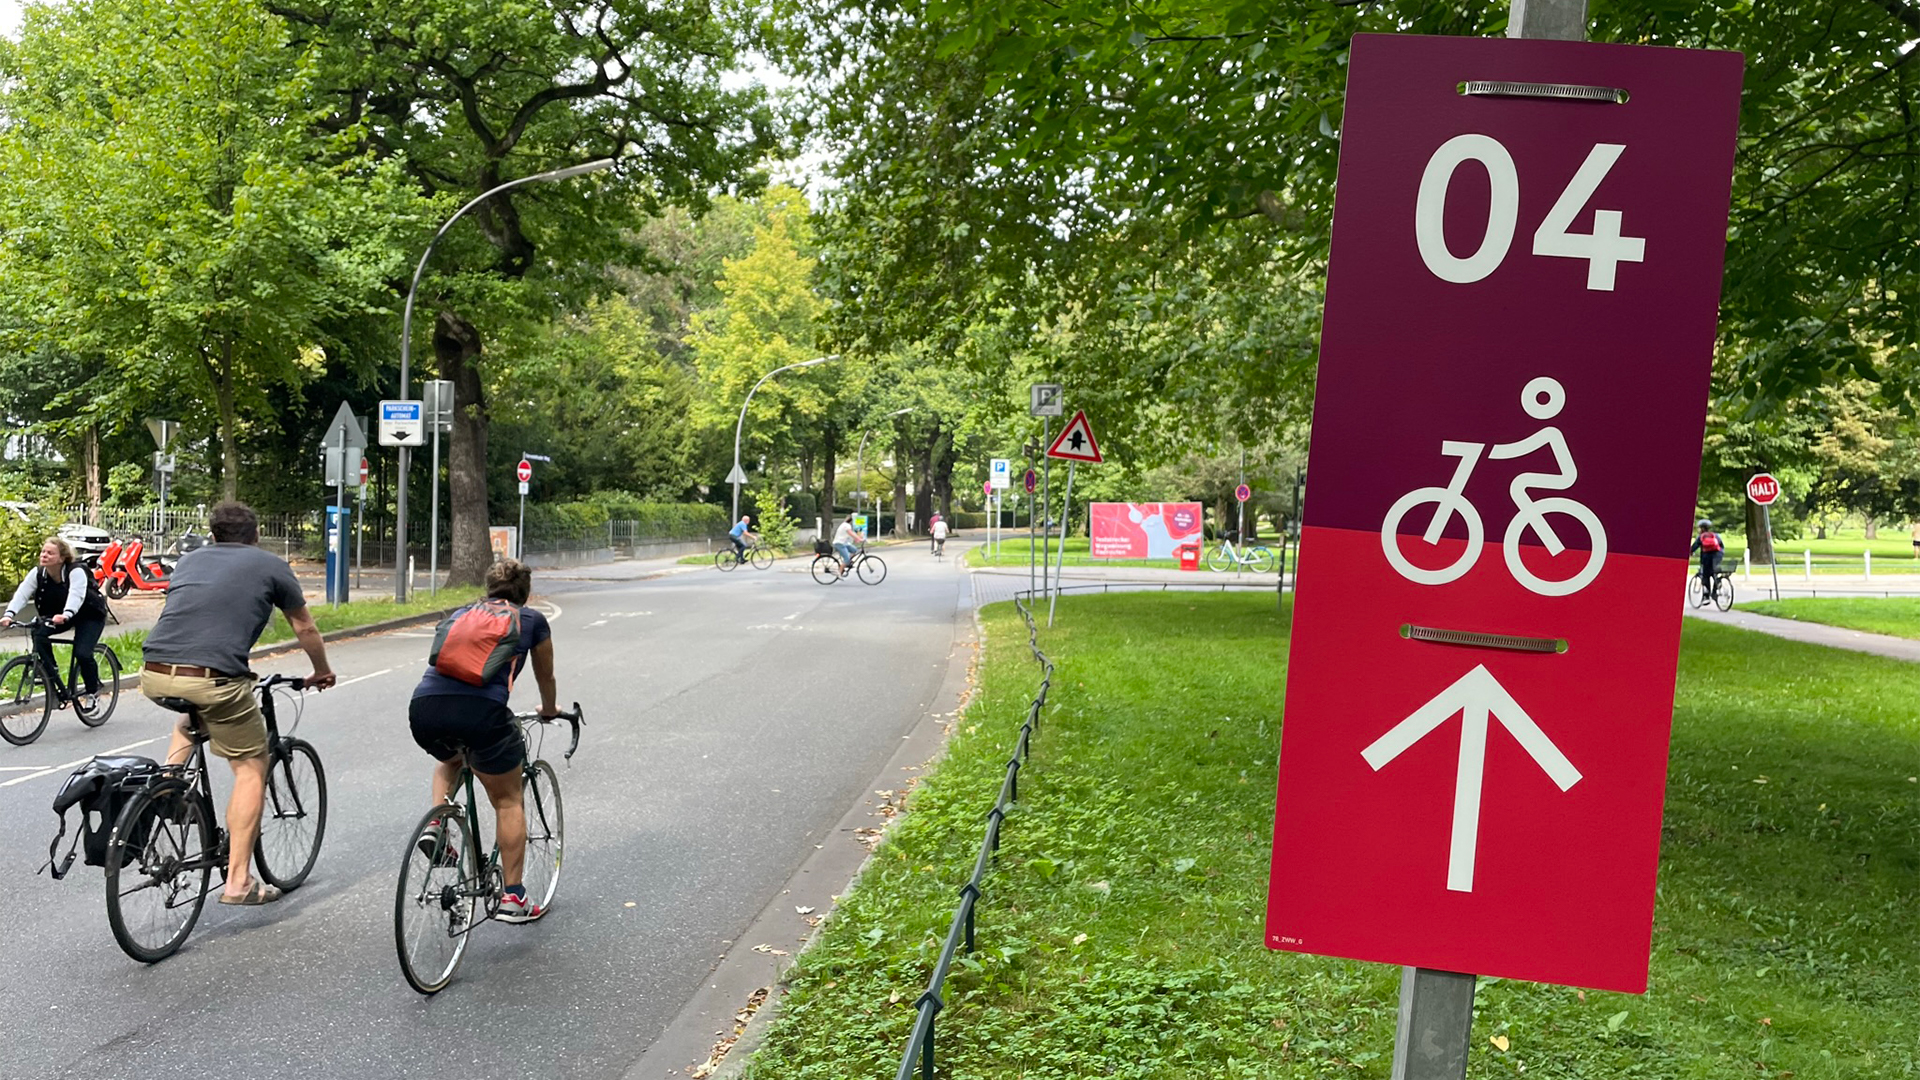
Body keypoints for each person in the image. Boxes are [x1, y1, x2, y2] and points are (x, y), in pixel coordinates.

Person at [141, 502, 336, 906]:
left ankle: (169, 790)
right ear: (257, 535)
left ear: (213, 535)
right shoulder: (271, 565)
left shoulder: (190, 561)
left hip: (154, 672)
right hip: (214, 680)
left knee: (187, 722)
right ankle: (238, 881)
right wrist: (321, 670)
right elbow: (304, 625)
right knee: (251, 767)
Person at [410, 558, 558, 923]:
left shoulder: (463, 613)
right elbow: (546, 676)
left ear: (488, 587)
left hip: (425, 708)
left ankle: (437, 827)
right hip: (482, 714)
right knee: (507, 800)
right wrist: (550, 709)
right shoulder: (531, 621)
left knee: (450, 758)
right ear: (525, 593)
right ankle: (513, 897)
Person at [1, 536, 111, 712]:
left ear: (62, 558)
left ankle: (92, 693)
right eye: (43, 552)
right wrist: (9, 614)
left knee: (82, 653)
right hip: (58, 615)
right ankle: (50, 673)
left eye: (50, 553)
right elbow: (22, 594)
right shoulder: (38, 573)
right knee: (38, 633)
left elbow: (77, 595)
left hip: (89, 615)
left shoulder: (75, 571)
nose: (44, 555)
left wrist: (67, 614)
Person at [1690, 519, 1723, 591]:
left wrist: (1690, 552)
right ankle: (1717, 585)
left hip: (1706, 557)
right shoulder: (1716, 535)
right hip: (1717, 556)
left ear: (1702, 528)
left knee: (1705, 575)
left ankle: (1706, 596)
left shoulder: (1701, 536)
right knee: (1714, 572)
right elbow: (1721, 546)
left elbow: (1694, 547)